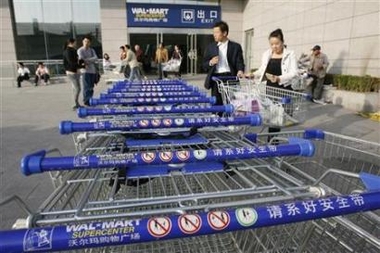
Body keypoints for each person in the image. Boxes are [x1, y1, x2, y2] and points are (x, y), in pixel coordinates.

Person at [252, 28, 298, 137]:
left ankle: (273, 141)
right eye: (271, 44)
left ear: (282, 41)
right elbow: (262, 70)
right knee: (272, 117)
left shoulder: (290, 54)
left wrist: (279, 78)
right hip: (270, 89)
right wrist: (252, 74)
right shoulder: (267, 54)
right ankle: (272, 141)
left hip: (284, 89)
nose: (274, 46)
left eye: (277, 43)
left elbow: (294, 72)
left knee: (279, 117)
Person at [203, 21, 245, 106]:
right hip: (216, 78)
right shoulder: (210, 47)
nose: (214, 35)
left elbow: (239, 61)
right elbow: (204, 64)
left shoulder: (235, 47)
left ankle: (230, 118)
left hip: (231, 77)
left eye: (217, 32)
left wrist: (240, 70)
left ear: (225, 33)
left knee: (232, 103)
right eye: (213, 32)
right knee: (216, 103)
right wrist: (211, 62)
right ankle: (217, 118)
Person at [77, 35, 98, 107]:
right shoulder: (80, 50)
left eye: (88, 42)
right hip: (85, 71)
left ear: (90, 43)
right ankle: (86, 101)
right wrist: (90, 60)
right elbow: (81, 60)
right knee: (86, 86)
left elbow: (96, 58)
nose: (86, 43)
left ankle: (90, 99)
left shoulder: (92, 50)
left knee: (91, 87)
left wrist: (87, 60)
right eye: (85, 41)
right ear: (82, 42)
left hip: (92, 70)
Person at [63, 38, 81, 110]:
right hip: (71, 72)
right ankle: (75, 103)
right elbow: (71, 62)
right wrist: (81, 66)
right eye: (75, 42)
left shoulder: (72, 50)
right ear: (71, 43)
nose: (76, 44)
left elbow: (76, 60)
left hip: (74, 71)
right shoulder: (68, 51)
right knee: (78, 88)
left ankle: (76, 103)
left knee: (75, 88)